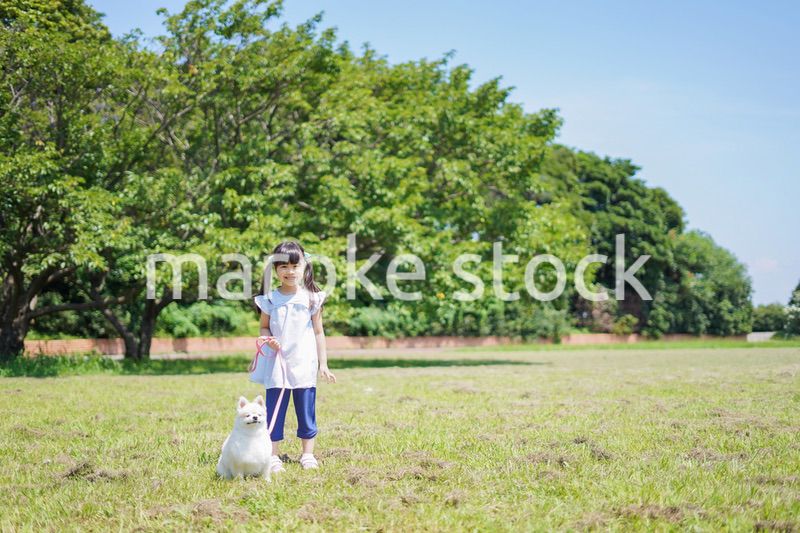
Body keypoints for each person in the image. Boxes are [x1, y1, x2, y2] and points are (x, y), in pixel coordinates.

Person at [250, 240, 337, 472]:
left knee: (306, 408)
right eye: (283, 267)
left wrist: (323, 364)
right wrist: (268, 339)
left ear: (304, 267)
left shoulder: (311, 298)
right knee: (275, 408)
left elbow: (319, 332)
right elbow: (264, 328)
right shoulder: (270, 299)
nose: (290, 271)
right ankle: (273, 455)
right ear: (275, 270)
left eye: (295, 266)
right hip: (277, 363)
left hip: (304, 363)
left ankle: (307, 454)